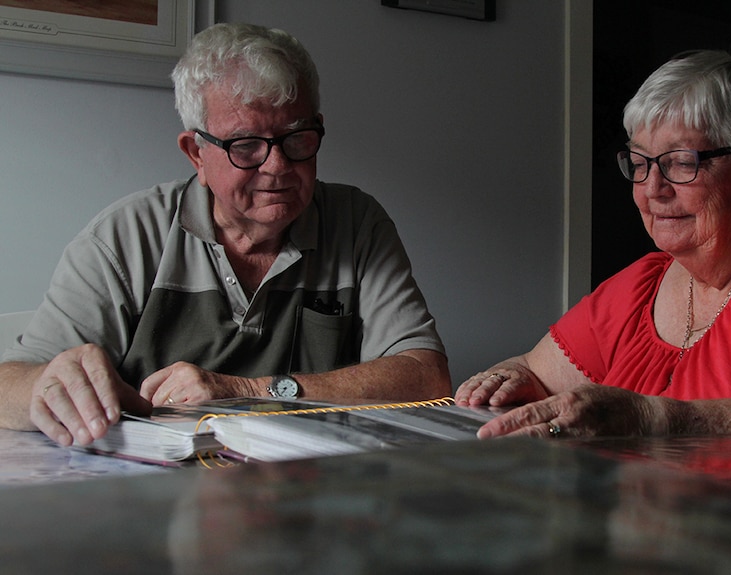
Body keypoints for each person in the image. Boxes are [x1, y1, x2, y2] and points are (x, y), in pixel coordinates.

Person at [0, 23, 450, 447]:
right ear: (196, 153)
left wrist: (247, 391)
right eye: (246, 145)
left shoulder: (356, 222)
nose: (278, 167)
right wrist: (47, 385)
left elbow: (425, 375)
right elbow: (9, 384)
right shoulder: (124, 238)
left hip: (309, 496)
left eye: (297, 138)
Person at [456, 50, 731, 446]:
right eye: (639, 162)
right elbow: (534, 372)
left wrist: (653, 416)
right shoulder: (643, 284)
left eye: (682, 162)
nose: (652, 190)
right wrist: (504, 382)